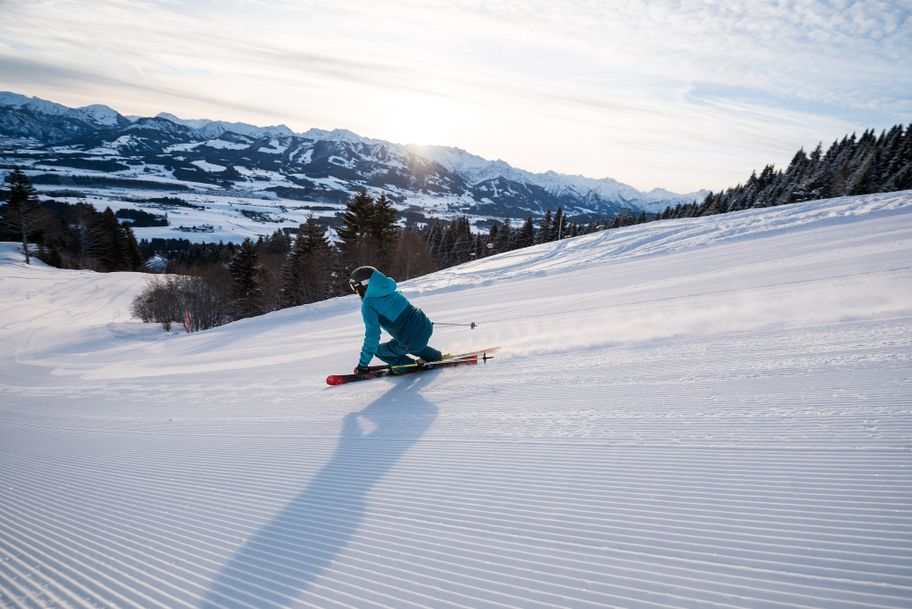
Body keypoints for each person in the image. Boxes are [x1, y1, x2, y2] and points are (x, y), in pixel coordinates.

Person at [349, 265, 443, 375]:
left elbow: (372, 335)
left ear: (361, 286)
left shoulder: (368, 304)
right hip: (425, 325)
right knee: (408, 342)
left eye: (354, 288)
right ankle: (434, 356)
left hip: (411, 339)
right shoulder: (389, 290)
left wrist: (362, 365)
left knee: (379, 351)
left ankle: (407, 367)